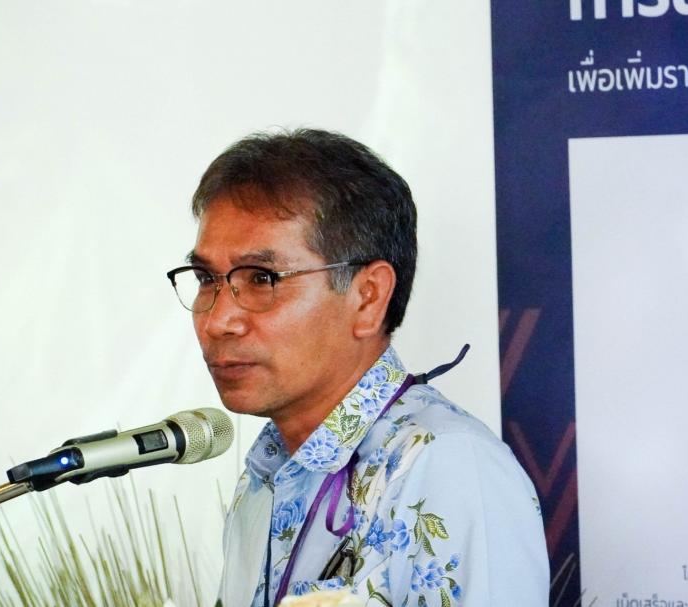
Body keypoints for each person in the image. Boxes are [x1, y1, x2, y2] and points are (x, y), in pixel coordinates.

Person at [166, 129, 548, 606]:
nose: (219, 320)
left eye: (262, 278)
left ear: (368, 297)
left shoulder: (447, 467)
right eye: (206, 278)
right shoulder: (268, 469)